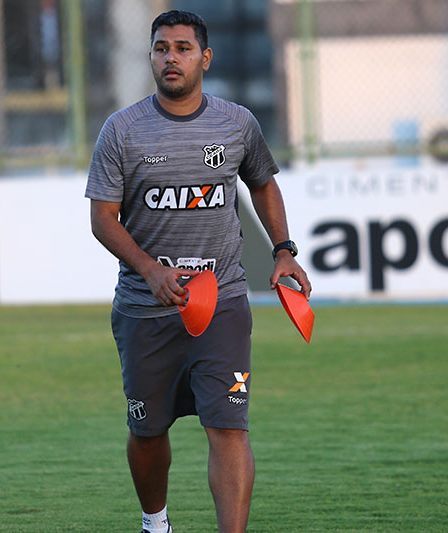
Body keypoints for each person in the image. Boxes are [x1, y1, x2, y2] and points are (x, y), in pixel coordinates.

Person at [85, 10, 311, 533]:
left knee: (228, 428)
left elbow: (263, 184)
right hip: (147, 309)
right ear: (151, 57)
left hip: (224, 303)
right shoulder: (121, 130)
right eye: (161, 48)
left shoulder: (236, 123)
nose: (171, 57)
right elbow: (102, 218)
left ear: (204, 58)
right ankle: (155, 522)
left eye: (183, 48)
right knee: (146, 431)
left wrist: (283, 250)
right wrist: (149, 270)